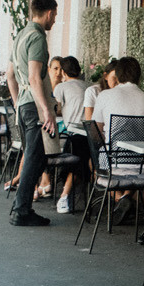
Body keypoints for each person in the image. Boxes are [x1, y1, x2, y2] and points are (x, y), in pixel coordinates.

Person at [6, 0, 58, 227]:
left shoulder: (20, 36)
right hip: (35, 104)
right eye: (55, 15)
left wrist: (19, 102)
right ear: (48, 13)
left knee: (34, 157)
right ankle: (21, 210)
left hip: (25, 104)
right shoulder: (37, 37)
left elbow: (10, 75)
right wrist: (45, 110)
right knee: (35, 159)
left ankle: (22, 206)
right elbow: (35, 77)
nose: (54, 20)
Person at [50, 56, 89, 214]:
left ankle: (64, 195)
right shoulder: (89, 86)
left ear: (64, 72)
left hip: (72, 133)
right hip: (90, 134)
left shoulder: (62, 87)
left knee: (76, 156)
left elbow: (55, 109)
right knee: (82, 158)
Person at [89, 55, 144, 135]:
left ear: (117, 76)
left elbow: (95, 132)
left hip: (113, 147)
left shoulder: (105, 95)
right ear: (139, 77)